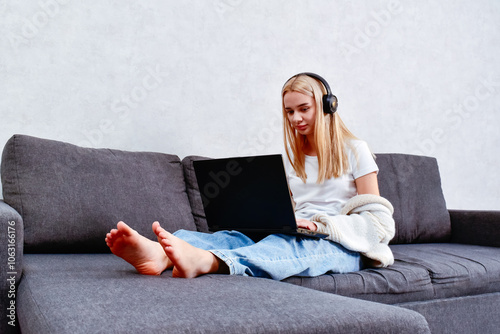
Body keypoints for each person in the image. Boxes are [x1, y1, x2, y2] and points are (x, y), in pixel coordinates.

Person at [105, 73, 395, 280]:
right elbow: (291, 211)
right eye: (290, 112)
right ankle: (160, 253)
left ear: (327, 105)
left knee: (282, 247)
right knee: (235, 236)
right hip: (302, 231)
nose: (296, 119)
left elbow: (378, 222)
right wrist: (275, 221)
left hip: (342, 244)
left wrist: (320, 227)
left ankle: (208, 262)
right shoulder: (292, 158)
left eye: (304, 109)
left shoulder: (355, 150)